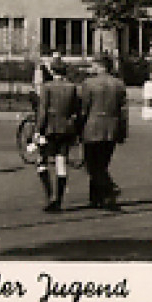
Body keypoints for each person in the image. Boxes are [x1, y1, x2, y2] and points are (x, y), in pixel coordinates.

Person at [77, 54, 130, 209]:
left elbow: (84, 108)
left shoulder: (89, 84)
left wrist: (78, 127)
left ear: (100, 66)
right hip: (112, 128)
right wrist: (122, 131)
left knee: (92, 164)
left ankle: (109, 188)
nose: (91, 68)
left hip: (92, 127)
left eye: (93, 65)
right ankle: (98, 198)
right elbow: (123, 111)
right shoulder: (119, 84)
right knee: (103, 163)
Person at [33, 55, 82, 211]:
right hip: (66, 129)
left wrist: (37, 131)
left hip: (50, 129)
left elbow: (42, 112)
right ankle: (59, 199)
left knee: (41, 161)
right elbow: (76, 110)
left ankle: (49, 195)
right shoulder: (72, 87)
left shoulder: (47, 87)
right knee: (61, 163)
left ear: (52, 71)